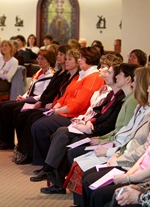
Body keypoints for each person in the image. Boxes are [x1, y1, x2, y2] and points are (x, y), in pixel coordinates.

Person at [78, 71, 150, 206]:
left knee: (96, 188)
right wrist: (117, 153)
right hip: (132, 164)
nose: (147, 89)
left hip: (138, 170)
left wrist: (127, 174)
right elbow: (133, 138)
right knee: (89, 178)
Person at [33, 56, 124, 193]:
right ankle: (53, 175)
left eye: (105, 68)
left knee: (62, 136)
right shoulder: (106, 91)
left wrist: (89, 124)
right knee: (58, 134)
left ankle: (52, 173)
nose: (100, 69)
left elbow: (108, 122)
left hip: (97, 131)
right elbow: (93, 111)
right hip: (87, 124)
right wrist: (83, 120)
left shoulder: (115, 95)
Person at [31, 47, 105, 165]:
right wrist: (57, 105)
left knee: (40, 126)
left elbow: (79, 103)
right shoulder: (80, 76)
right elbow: (65, 95)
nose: (79, 60)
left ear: (89, 59)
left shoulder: (93, 77)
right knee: (37, 120)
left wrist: (58, 110)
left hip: (74, 115)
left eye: (81, 57)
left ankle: (44, 163)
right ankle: (40, 160)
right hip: (66, 111)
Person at [12, 45, 76, 164]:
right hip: (49, 103)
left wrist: (49, 104)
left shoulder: (67, 75)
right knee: (20, 113)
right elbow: (49, 92)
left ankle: (27, 152)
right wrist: (41, 102)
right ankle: (22, 148)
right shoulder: (59, 73)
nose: (60, 58)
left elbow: (59, 95)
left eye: (64, 56)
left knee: (32, 118)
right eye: (60, 55)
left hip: (57, 107)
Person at [0, 49, 55, 150]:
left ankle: (8, 142)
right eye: (38, 58)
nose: (39, 61)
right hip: (29, 98)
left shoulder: (50, 75)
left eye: (42, 59)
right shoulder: (39, 72)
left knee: (6, 108)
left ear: (49, 60)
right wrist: (24, 96)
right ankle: (2, 139)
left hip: (36, 101)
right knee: (0, 105)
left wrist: (28, 99)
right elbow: (30, 88)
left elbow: (44, 95)